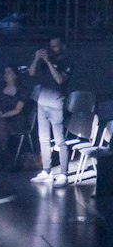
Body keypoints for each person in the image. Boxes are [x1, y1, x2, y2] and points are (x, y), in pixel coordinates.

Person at [27, 36, 72, 183]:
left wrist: (48, 62)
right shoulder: (43, 62)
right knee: (43, 139)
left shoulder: (66, 62)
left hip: (56, 104)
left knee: (59, 140)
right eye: (51, 46)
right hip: (42, 103)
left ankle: (64, 173)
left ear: (62, 46)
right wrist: (36, 59)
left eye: (56, 46)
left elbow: (60, 79)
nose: (53, 49)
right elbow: (31, 73)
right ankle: (46, 170)